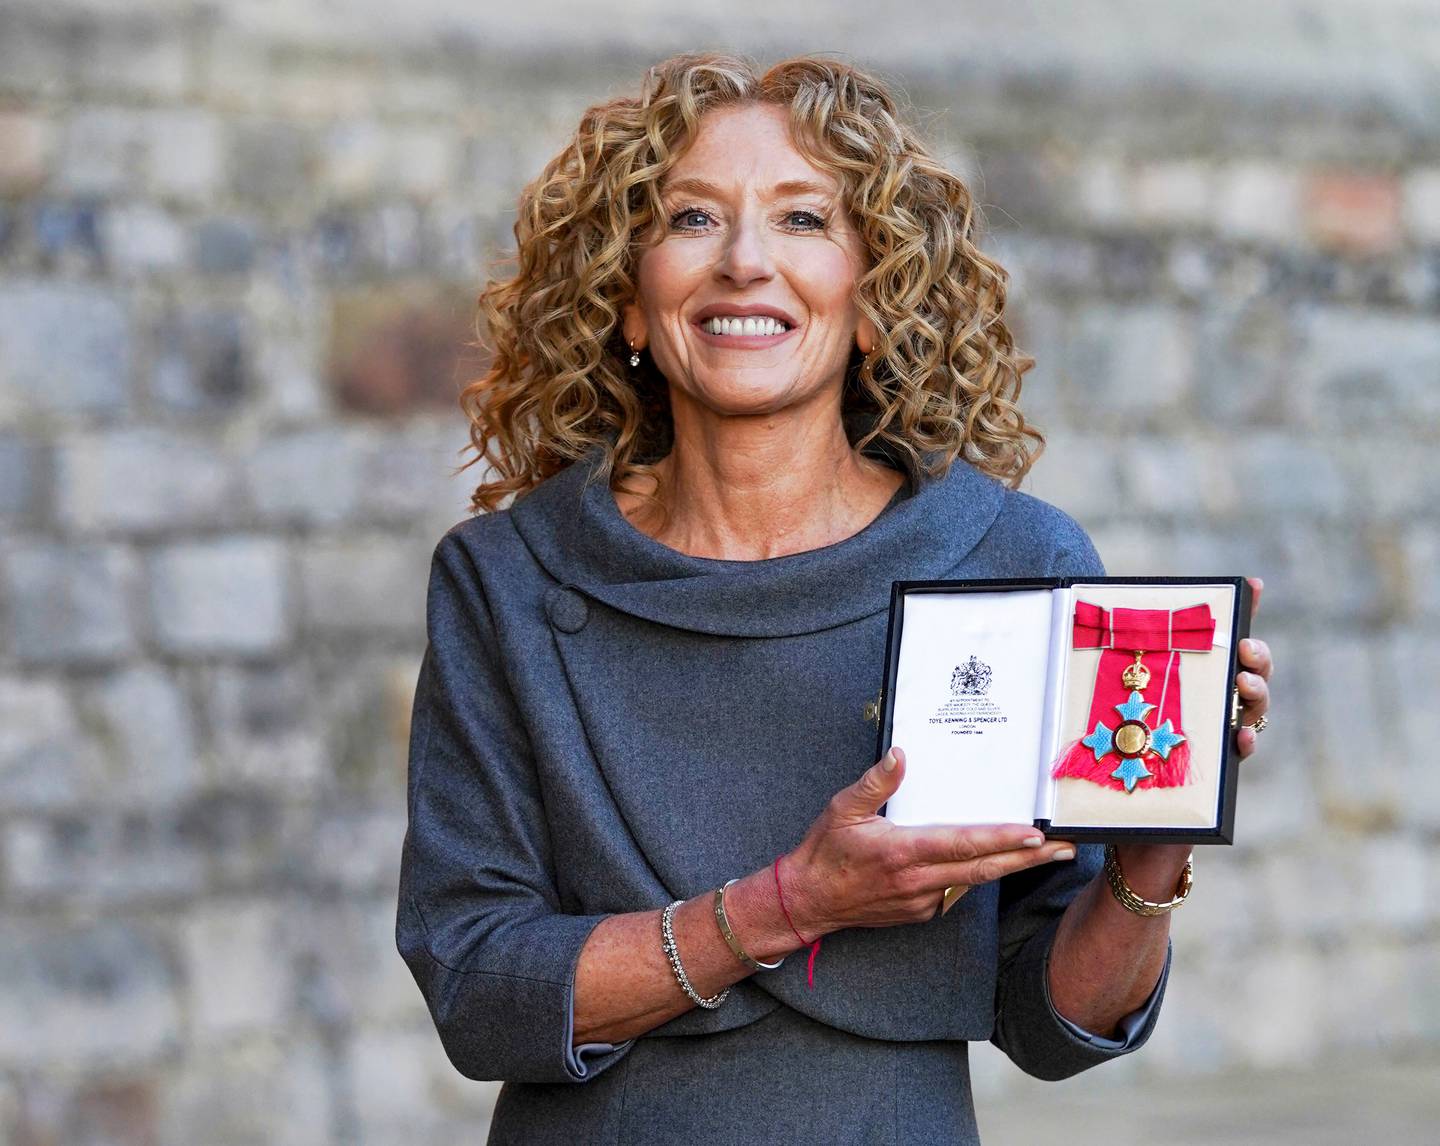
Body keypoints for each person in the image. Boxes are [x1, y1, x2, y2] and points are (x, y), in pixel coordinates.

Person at [395, 51, 1274, 1144]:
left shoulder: (1010, 558)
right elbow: (478, 988)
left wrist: (1155, 836)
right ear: (627, 301)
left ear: (873, 299)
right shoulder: (508, 579)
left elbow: (1054, 1025)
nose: (745, 262)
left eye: (804, 220)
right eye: (691, 219)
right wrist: (791, 903)